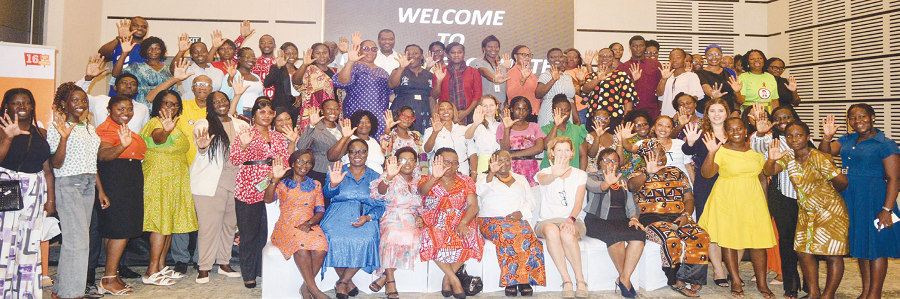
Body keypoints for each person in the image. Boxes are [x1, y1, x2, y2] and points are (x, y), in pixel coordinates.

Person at [819, 104, 899, 299]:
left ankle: (875, 294)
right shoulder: (847, 139)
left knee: (877, 247)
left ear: (873, 117)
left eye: (862, 116)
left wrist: (887, 210)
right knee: (862, 245)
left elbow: (894, 179)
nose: (858, 121)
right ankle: (866, 292)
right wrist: (827, 137)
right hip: (852, 199)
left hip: (876, 200)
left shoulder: (885, 143)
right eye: (853, 118)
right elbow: (825, 154)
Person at [763, 121, 849, 299]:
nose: (794, 139)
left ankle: (828, 295)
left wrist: (824, 193)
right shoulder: (788, 157)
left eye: (799, 135)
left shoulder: (818, 157)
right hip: (805, 212)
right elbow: (769, 172)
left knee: (831, 254)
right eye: (790, 136)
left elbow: (842, 183)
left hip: (829, 211)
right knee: (803, 252)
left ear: (808, 137)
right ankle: (814, 293)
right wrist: (772, 158)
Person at [699, 117, 776, 299]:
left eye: (739, 129)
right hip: (727, 199)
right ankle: (735, 280)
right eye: (731, 129)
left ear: (745, 130)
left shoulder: (756, 153)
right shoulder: (721, 151)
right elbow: (707, 174)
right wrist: (710, 153)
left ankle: (762, 283)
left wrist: (765, 205)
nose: (736, 132)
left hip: (753, 200)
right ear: (726, 132)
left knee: (759, 243)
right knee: (730, 241)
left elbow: (763, 179)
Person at [628, 142, 709, 297]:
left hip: (678, 217)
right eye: (654, 154)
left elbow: (688, 198)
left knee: (701, 236)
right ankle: (676, 280)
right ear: (645, 156)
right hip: (651, 219)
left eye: (662, 154)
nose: (659, 158)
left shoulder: (677, 172)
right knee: (672, 239)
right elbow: (631, 187)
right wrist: (647, 172)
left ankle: (693, 277)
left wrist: (686, 215)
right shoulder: (637, 173)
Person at [229, 98, 293, 288]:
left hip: (272, 187)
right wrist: (243, 145)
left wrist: (292, 143)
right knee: (249, 234)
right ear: (254, 115)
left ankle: (260, 269)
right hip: (248, 186)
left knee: (265, 232)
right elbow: (234, 159)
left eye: (269, 112)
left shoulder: (278, 137)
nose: (266, 115)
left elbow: (286, 162)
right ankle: (248, 273)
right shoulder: (246, 133)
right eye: (261, 111)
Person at [138, 90, 199, 286]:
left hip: (175, 180)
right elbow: (158, 139)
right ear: (158, 105)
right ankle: (151, 271)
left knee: (168, 225)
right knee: (160, 225)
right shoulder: (155, 123)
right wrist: (165, 130)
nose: (170, 108)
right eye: (166, 103)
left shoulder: (177, 125)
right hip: (159, 180)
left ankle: (161, 266)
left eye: (174, 104)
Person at [47, 83, 102, 299]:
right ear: (64, 103)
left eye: (84, 100)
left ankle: (61, 290)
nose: (81, 104)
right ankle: (72, 293)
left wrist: (101, 191)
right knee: (77, 241)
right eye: (75, 100)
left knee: (77, 239)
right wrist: (63, 138)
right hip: (68, 184)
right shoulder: (58, 126)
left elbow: (92, 163)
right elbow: (56, 163)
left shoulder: (89, 127)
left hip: (88, 185)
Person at [0, 89, 54, 299]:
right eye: (16, 103)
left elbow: (47, 168)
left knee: (28, 246)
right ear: (6, 106)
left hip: (34, 196)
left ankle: (25, 293)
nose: (22, 107)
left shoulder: (40, 133)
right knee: (4, 246)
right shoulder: (2, 129)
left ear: (32, 106)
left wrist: (51, 200)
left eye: (26, 103)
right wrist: (8, 138)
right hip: (6, 192)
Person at [189, 91, 248, 284]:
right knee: (209, 227)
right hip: (211, 183)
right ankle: (204, 267)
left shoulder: (242, 124)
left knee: (229, 226)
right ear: (210, 105)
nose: (221, 104)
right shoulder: (203, 124)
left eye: (224, 100)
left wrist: (246, 147)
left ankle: (224, 263)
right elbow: (201, 144)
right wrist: (203, 146)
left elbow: (247, 153)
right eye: (216, 102)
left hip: (236, 181)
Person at [94, 95, 148, 295]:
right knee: (120, 230)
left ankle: (111, 275)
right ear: (109, 110)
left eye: (129, 109)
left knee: (115, 231)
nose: (126, 113)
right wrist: (122, 146)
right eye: (120, 109)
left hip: (128, 181)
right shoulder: (105, 129)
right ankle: (108, 279)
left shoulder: (125, 130)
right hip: (116, 181)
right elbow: (103, 156)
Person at [749, 105, 803, 297]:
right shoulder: (772, 141)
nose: (782, 122)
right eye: (778, 118)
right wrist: (761, 133)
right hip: (783, 198)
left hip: (807, 199)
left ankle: (812, 286)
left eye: (786, 117)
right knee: (787, 244)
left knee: (807, 246)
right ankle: (792, 285)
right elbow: (757, 146)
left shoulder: (803, 137)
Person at [476, 150, 546, 296]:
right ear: (492, 161)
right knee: (509, 234)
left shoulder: (520, 179)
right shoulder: (485, 178)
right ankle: (512, 281)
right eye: (500, 160)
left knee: (527, 235)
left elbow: (531, 200)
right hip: (491, 220)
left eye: (507, 160)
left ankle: (523, 279)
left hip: (518, 219)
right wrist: (491, 172)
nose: (504, 163)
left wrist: (521, 212)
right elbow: (479, 191)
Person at [321, 140, 385, 299]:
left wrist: (369, 217)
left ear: (367, 154)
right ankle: (347, 282)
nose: (357, 155)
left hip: (364, 214)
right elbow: (327, 194)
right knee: (330, 236)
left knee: (367, 238)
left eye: (361, 151)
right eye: (353, 151)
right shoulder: (337, 170)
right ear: (347, 154)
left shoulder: (375, 176)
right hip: (337, 213)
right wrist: (334, 184)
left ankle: (342, 282)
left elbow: (381, 205)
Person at [418, 148, 483, 299]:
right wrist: (434, 177)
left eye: (455, 163)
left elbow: (473, 206)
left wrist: (464, 223)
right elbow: (422, 191)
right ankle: (454, 279)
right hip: (434, 219)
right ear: (436, 162)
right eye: (446, 162)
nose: (451, 166)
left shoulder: (466, 181)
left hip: (461, 218)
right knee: (430, 237)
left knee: (470, 235)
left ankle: (447, 279)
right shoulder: (426, 179)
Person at [264, 150, 329, 299]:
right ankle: (315, 291)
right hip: (286, 226)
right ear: (292, 164)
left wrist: (309, 223)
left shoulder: (316, 185)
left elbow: (320, 211)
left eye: (308, 162)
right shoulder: (282, 183)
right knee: (301, 246)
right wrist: (274, 180)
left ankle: (306, 288)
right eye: (300, 161)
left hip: (309, 224)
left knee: (321, 247)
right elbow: (267, 199)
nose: (304, 165)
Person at [681, 98, 730, 286]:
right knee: (710, 228)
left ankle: (731, 267)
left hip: (731, 184)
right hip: (706, 183)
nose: (717, 114)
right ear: (707, 115)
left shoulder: (735, 131)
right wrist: (691, 143)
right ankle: (718, 269)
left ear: (727, 113)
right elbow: (687, 149)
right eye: (712, 111)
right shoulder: (700, 133)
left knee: (730, 226)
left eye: (721, 110)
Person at [584, 148, 643, 298]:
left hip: (621, 220)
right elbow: (595, 188)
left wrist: (634, 218)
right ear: (599, 163)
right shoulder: (592, 176)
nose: (611, 163)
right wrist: (606, 183)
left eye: (614, 160)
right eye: (606, 160)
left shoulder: (623, 179)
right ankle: (625, 281)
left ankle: (623, 278)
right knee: (616, 238)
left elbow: (631, 203)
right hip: (597, 220)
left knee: (639, 236)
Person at [534, 136, 588, 299]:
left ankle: (580, 280)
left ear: (572, 153)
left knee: (566, 232)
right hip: (546, 221)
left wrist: (570, 220)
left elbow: (578, 202)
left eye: (566, 150)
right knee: (551, 230)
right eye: (559, 150)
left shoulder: (580, 174)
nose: (563, 154)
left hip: (573, 219)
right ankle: (566, 281)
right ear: (551, 152)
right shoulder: (544, 172)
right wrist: (554, 175)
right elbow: (543, 181)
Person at [368, 148, 423, 299]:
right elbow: (379, 193)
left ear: (416, 163)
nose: (407, 163)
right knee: (392, 235)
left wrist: (420, 217)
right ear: (397, 162)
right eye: (403, 160)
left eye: (411, 160)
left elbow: (421, 204)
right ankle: (390, 280)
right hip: (392, 216)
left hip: (411, 219)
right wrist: (388, 177)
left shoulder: (418, 181)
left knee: (415, 238)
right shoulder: (389, 176)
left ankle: (384, 276)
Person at [334, 34, 391, 137]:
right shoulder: (355, 66)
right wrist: (351, 61)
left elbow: (390, 95)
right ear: (359, 51)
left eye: (374, 49)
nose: (370, 51)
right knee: (356, 146)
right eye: (366, 48)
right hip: (357, 116)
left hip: (379, 118)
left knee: (378, 147)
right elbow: (342, 82)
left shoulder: (383, 72)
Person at [79, 54, 151, 132]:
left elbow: (145, 134)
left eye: (133, 84)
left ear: (137, 89)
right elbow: (75, 95)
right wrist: (88, 78)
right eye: (124, 83)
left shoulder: (143, 108)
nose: (129, 86)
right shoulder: (101, 101)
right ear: (115, 87)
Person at [621, 116, 694, 181]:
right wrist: (624, 139)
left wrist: (694, 187)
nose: (663, 129)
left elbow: (688, 167)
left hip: (682, 185)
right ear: (654, 127)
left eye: (668, 126)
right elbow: (630, 148)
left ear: (672, 129)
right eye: (660, 125)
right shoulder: (647, 143)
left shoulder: (680, 143)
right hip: (657, 186)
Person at [581, 48, 638, 130]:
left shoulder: (621, 75)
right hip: (594, 117)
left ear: (613, 58)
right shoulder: (592, 76)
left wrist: (626, 120)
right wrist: (598, 79)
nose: (604, 58)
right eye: (602, 56)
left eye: (608, 56)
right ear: (598, 58)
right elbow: (585, 90)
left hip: (614, 117)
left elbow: (628, 99)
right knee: (593, 141)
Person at [111, 35, 171, 109]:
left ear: (162, 50)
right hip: (143, 108)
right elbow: (115, 74)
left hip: (166, 108)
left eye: (157, 48)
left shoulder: (169, 68)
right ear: (145, 50)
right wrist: (124, 53)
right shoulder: (136, 67)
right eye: (150, 49)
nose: (153, 51)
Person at [497, 96, 546, 186]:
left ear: (528, 111)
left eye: (524, 109)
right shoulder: (502, 126)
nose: (521, 112)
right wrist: (507, 128)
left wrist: (514, 154)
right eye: (518, 109)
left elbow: (539, 148)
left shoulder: (534, 126)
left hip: (530, 168)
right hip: (510, 168)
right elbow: (504, 150)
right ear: (511, 109)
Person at [388, 44, 434, 134]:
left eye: (415, 53)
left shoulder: (429, 74)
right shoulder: (398, 70)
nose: (411, 56)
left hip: (424, 112)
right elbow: (391, 85)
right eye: (408, 54)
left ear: (421, 56)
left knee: (421, 141)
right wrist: (401, 68)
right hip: (402, 111)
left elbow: (433, 96)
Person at [99, 17, 149, 97]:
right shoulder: (119, 44)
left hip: (141, 98)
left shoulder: (150, 48)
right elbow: (101, 54)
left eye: (144, 27)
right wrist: (120, 39)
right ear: (129, 27)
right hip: (117, 95)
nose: (140, 28)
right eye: (135, 25)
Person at [294, 43, 338, 129]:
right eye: (318, 53)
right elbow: (296, 82)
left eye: (324, 52)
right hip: (314, 111)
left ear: (329, 55)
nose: (322, 55)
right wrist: (304, 64)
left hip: (332, 111)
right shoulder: (309, 69)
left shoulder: (334, 71)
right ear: (312, 55)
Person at [434, 42, 482, 123]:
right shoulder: (440, 72)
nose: (456, 55)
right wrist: (439, 81)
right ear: (448, 55)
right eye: (453, 52)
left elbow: (477, 95)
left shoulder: (473, 71)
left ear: (464, 54)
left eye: (459, 52)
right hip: (446, 115)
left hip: (468, 115)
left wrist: (466, 112)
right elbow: (435, 95)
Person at [297, 100, 342, 184]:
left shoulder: (341, 128)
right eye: (329, 109)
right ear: (322, 111)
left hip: (339, 172)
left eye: (336, 109)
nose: (333, 112)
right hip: (320, 171)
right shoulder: (315, 128)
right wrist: (311, 125)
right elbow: (301, 147)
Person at [618, 35, 663, 119]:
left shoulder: (655, 65)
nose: (638, 48)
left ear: (645, 47)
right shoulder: (623, 67)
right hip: (631, 110)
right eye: (635, 46)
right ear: (630, 48)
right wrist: (632, 80)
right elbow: (619, 91)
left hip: (652, 110)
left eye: (641, 45)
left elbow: (661, 91)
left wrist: (661, 109)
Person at [541, 95, 587, 169]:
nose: (563, 112)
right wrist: (556, 125)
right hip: (550, 173)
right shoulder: (546, 129)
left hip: (572, 174)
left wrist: (581, 175)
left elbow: (583, 155)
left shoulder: (577, 130)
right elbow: (547, 147)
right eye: (559, 110)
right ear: (553, 111)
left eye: (566, 110)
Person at [424, 101, 470, 174]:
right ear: (437, 112)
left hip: (463, 171)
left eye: (449, 108)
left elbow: (472, 152)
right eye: (442, 109)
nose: (446, 111)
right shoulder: (430, 130)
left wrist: (474, 173)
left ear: (453, 111)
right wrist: (435, 132)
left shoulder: (463, 129)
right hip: (439, 172)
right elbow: (427, 150)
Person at [657, 48, 704, 117]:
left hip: (684, 116)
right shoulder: (667, 76)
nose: (674, 60)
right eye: (672, 58)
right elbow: (659, 95)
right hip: (666, 115)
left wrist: (680, 112)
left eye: (678, 57)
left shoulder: (691, 76)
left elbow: (694, 97)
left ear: (685, 59)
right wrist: (664, 79)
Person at [535, 48, 576, 127]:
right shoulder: (546, 75)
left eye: (560, 57)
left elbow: (572, 99)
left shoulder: (567, 77)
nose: (557, 59)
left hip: (567, 114)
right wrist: (553, 80)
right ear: (548, 60)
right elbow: (538, 94)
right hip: (550, 113)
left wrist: (576, 118)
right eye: (553, 57)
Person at [221, 47, 264, 118]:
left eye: (253, 58)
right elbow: (225, 94)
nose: (251, 60)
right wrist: (230, 77)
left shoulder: (256, 76)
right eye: (247, 57)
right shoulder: (234, 74)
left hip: (257, 113)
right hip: (242, 112)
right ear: (240, 59)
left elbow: (261, 96)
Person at [464, 95, 502, 173]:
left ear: (497, 106)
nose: (489, 109)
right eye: (485, 106)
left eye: (491, 105)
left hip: (501, 161)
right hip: (484, 162)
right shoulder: (476, 126)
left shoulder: (501, 125)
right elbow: (467, 136)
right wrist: (475, 124)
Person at [696, 45, 738, 114]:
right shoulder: (699, 73)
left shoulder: (729, 72)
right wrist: (712, 94)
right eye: (710, 55)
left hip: (727, 112)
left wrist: (737, 92)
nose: (714, 57)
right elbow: (705, 86)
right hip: (707, 113)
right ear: (705, 57)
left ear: (721, 56)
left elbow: (737, 98)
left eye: (717, 54)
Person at [471, 35, 511, 106]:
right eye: (490, 46)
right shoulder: (477, 62)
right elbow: (483, 72)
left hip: (501, 105)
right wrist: (494, 79)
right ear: (483, 48)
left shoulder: (503, 67)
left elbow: (509, 87)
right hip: (485, 106)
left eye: (496, 47)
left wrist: (508, 69)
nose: (494, 49)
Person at [264, 42, 301, 112]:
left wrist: (300, 98)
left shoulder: (299, 71)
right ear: (282, 54)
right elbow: (267, 83)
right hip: (280, 107)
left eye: (294, 53)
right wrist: (278, 66)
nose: (292, 56)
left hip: (296, 107)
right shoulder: (277, 68)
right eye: (288, 53)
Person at [615, 110, 652, 178]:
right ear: (632, 127)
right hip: (628, 178)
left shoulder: (653, 140)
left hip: (648, 177)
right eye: (638, 125)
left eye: (645, 124)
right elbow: (620, 163)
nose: (642, 127)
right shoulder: (628, 140)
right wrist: (621, 140)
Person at [583, 109, 620, 173]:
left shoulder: (615, 137)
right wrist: (597, 136)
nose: (601, 120)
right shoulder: (587, 137)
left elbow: (620, 160)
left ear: (609, 120)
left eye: (605, 118)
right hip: (593, 175)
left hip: (612, 173)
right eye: (598, 118)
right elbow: (592, 155)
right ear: (593, 120)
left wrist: (621, 141)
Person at [506, 45, 539, 115]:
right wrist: (523, 79)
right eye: (524, 55)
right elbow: (511, 94)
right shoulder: (513, 72)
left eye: (529, 55)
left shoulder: (530, 74)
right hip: (520, 114)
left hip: (532, 113)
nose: (527, 57)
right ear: (515, 56)